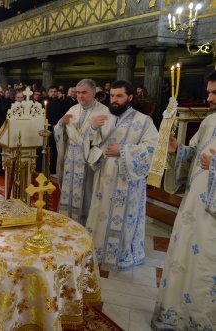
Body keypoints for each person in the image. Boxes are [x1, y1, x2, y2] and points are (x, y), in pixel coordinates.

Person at [151, 70, 216, 330]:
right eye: (209, 92)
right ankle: (177, 315)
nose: (209, 98)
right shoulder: (210, 122)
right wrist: (178, 150)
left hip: (212, 218)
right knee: (185, 260)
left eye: (215, 93)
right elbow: (194, 156)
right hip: (193, 208)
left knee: (205, 267)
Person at [85, 80, 159, 270]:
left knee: (124, 218)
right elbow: (90, 144)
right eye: (112, 96)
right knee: (101, 212)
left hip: (128, 180)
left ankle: (122, 253)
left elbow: (152, 149)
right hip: (104, 177)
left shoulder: (144, 121)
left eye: (119, 96)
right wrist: (92, 128)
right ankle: (99, 249)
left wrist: (124, 150)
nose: (114, 100)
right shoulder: (103, 117)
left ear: (130, 97)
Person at [54, 79, 109, 225]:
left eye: (84, 92)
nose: (80, 96)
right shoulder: (73, 109)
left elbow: (104, 140)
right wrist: (60, 124)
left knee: (87, 193)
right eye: (78, 93)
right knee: (69, 192)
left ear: (93, 93)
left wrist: (93, 130)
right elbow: (60, 133)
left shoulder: (103, 111)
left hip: (87, 162)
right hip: (70, 159)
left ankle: (85, 226)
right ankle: (67, 223)